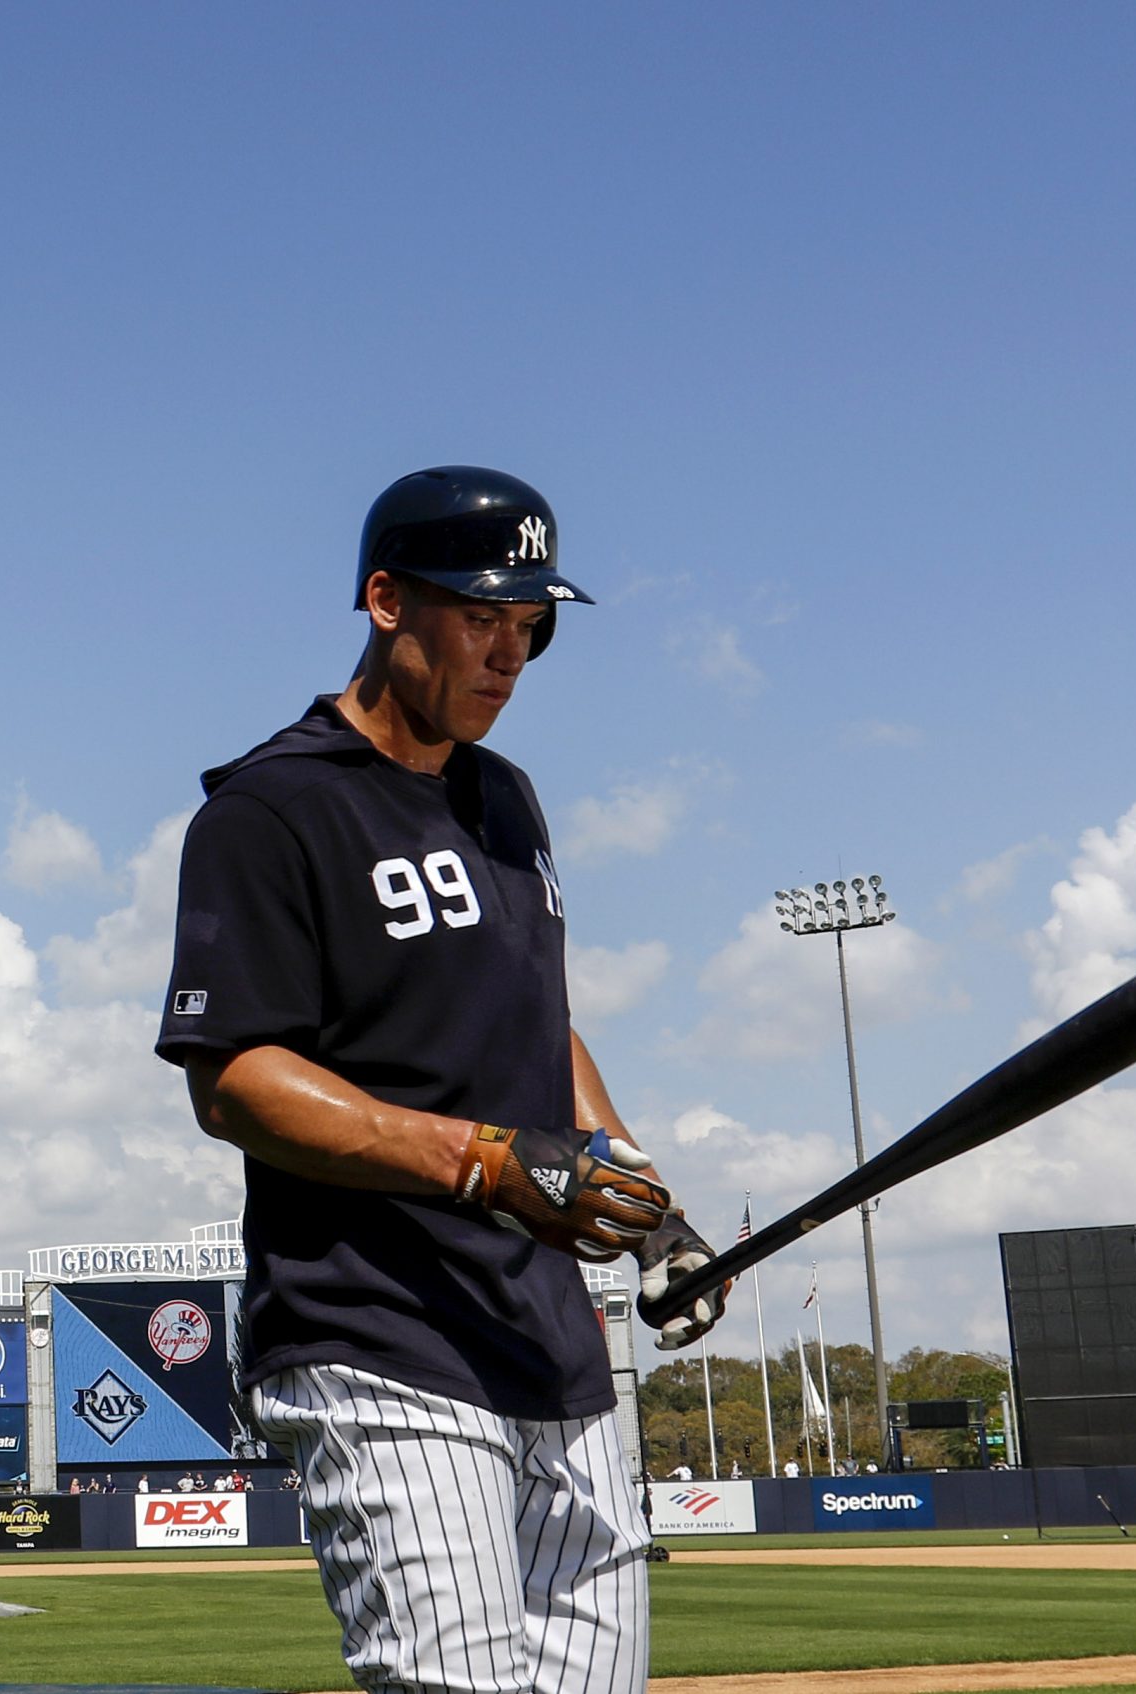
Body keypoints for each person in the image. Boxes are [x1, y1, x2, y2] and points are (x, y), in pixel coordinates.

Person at [157, 467, 730, 1694]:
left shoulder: (506, 799)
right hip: (378, 1329)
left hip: (553, 1347)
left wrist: (646, 1208)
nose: (509, 652)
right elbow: (235, 1078)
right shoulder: (270, 811)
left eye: (531, 627)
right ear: (382, 600)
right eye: (481, 616)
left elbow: (538, 1024)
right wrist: (485, 1160)